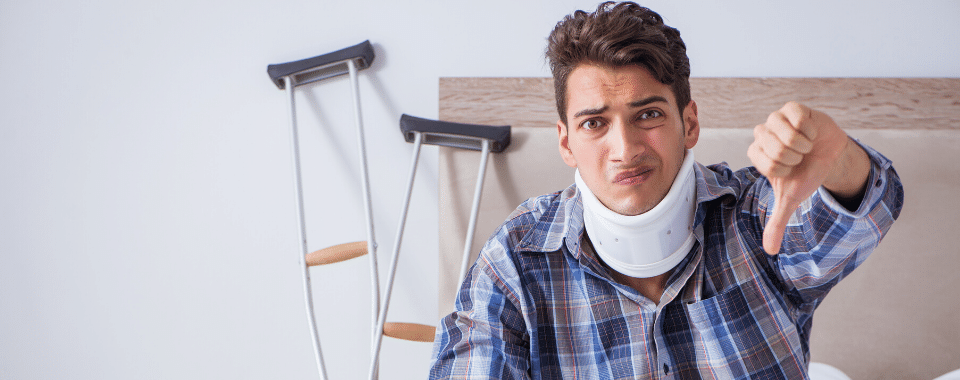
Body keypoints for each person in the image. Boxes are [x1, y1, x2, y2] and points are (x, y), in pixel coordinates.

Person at [430, 2, 904, 379]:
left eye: (649, 114)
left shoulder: (756, 216)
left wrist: (837, 153)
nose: (626, 148)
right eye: (595, 123)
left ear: (689, 122)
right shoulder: (516, 262)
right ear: (566, 142)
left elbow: (868, 207)